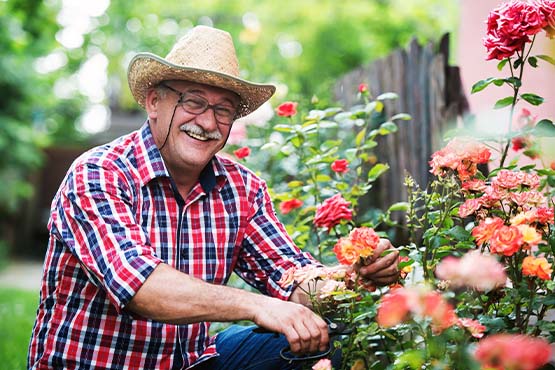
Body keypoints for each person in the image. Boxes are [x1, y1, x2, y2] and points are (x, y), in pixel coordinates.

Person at [28, 25, 400, 370]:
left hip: (191, 363)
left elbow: (289, 275)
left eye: (223, 109)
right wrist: (257, 306)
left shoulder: (242, 189)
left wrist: (353, 275)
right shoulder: (98, 174)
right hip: (98, 364)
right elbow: (142, 288)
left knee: (324, 339)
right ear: (154, 102)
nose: (208, 122)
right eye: (193, 102)